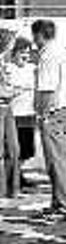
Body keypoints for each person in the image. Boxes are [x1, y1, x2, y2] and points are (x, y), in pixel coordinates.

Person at [32, 19, 66, 222]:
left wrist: (41, 115)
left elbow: (47, 89)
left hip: (55, 112)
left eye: (35, 36)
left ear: (39, 35)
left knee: (57, 161)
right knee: (61, 160)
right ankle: (58, 202)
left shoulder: (47, 56)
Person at [6, 38, 35, 190]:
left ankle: (18, 174)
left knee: (27, 149)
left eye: (28, 52)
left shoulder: (32, 68)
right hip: (13, 115)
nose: (25, 55)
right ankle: (13, 178)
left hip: (28, 113)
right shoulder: (8, 68)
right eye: (22, 52)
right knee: (13, 149)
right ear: (14, 53)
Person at [0, 29, 20, 198]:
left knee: (14, 148)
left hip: (7, 108)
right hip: (2, 106)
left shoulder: (4, 63)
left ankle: (12, 188)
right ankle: (3, 189)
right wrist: (10, 91)